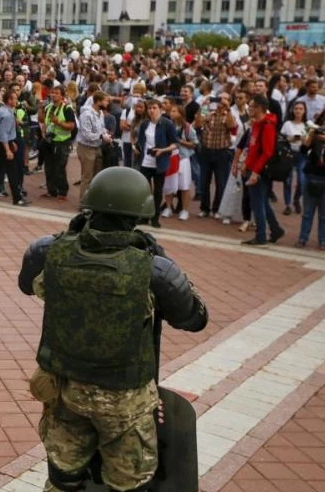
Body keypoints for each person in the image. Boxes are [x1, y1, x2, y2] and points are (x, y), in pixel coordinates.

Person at [17, 166, 208, 492]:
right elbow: (194, 317)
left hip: (65, 390)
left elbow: (26, 284)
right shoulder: (153, 269)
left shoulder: (50, 252)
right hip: (125, 401)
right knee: (127, 484)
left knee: (62, 479)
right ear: (139, 214)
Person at [242, 95, 285, 246]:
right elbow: (252, 148)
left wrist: (254, 172)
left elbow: (267, 152)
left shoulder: (267, 125)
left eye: (252, 106)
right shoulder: (257, 124)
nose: (249, 109)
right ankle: (275, 229)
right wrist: (246, 165)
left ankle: (260, 235)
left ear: (259, 108)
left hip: (259, 171)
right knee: (262, 202)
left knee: (257, 204)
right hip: (252, 167)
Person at [297, 115, 325, 250]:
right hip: (311, 176)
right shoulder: (315, 137)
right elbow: (303, 151)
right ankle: (302, 239)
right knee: (307, 212)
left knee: (324, 214)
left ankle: (323, 241)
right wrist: (310, 136)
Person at [135, 99, 178, 227]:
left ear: (160, 109)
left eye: (154, 108)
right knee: (145, 190)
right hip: (146, 161)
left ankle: (155, 218)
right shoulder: (144, 124)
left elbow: (175, 144)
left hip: (160, 161)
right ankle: (144, 216)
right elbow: (140, 140)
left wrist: (163, 150)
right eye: (149, 108)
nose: (151, 111)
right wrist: (137, 148)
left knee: (158, 191)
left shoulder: (167, 124)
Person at [161, 104, 198, 221]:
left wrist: (180, 141)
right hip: (170, 157)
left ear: (181, 114)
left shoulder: (187, 127)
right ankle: (168, 208)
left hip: (182, 158)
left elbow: (194, 143)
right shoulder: (166, 125)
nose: (172, 113)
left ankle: (185, 210)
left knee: (184, 185)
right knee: (168, 184)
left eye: (174, 111)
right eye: (171, 111)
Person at [41, 85, 76, 201]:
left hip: (62, 142)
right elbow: (44, 122)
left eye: (56, 93)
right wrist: (44, 133)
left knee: (60, 167)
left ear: (62, 95)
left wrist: (59, 123)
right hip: (49, 141)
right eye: (52, 93)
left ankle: (62, 192)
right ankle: (51, 190)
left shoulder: (67, 109)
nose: (54, 95)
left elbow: (71, 126)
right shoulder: (48, 107)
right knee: (49, 167)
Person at [75, 90, 111, 199]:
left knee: (96, 176)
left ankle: (93, 200)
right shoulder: (86, 114)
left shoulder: (100, 113)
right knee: (87, 177)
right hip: (86, 148)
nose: (107, 103)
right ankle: (84, 202)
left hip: (97, 147)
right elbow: (87, 134)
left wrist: (106, 133)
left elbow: (101, 127)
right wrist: (101, 136)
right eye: (106, 101)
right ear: (98, 102)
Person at [281, 101, 309, 215]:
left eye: (301, 109)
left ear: (304, 111)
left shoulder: (307, 125)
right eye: (296, 108)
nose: (298, 111)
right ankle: (288, 204)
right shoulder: (287, 124)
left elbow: (309, 142)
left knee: (302, 181)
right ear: (292, 110)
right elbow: (281, 139)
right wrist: (289, 139)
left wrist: (304, 139)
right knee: (287, 180)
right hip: (289, 153)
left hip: (301, 154)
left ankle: (296, 199)